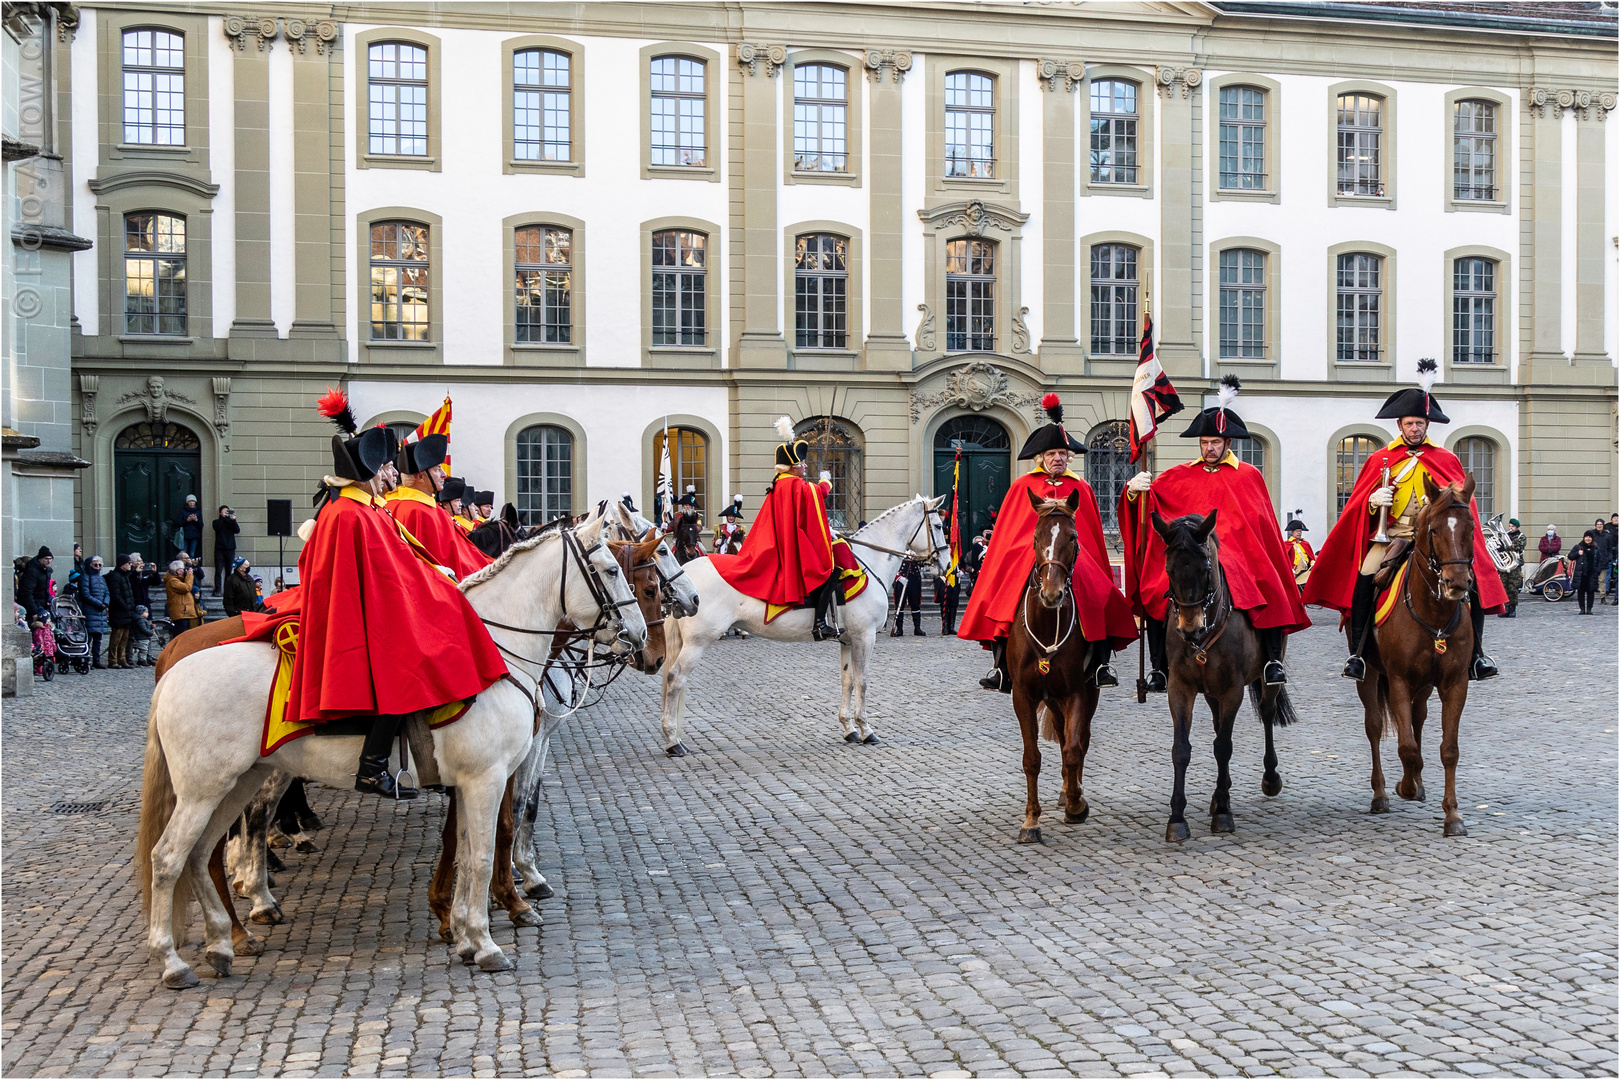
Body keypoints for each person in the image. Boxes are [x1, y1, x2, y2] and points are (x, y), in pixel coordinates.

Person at [299, 388, 507, 799]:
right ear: (366, 473)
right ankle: (372, 766)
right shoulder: (350, 513)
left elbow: (404, 561)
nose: (388, 476)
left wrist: (437, 576)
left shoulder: (368, 508)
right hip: (367, 613)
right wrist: (432, 588)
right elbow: (382, 574)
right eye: (381, 469)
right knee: (412, 661)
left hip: (385, 603)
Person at [1303, 358, 1506, 681]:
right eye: (1410, 423)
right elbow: (1357, 506)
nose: (1416, 429)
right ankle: (1357, 653)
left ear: (1428, 425)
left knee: (1474, 581)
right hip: (1392, 538)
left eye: (1421, 424)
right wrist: (1371, 502)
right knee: (1365, 574)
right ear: (1400, 425)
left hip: (1437, 540)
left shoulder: (1445, 459)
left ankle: (1477, 655)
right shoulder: (1380, 459)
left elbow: (1461, 503)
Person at [1122, 377, 1310, 689]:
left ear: (1228, 443)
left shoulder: (1248, 475)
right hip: (1194, 551)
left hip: (1239, 552)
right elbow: (1153, 506)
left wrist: (1238, 549)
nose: (1209, 448)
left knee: (1269, 581)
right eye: (1205, 443)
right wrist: (1133, 492)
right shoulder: (1178, 475)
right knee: (1154, 588)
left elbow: (1260, 525)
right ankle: (1158, 666)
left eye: (1215, 443)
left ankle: (1273, 660)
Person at [957, 394, 1137, 691]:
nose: (1058, 458)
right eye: (1052, 453)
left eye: (1063, 453)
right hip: (1029, 554)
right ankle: (1001, 667)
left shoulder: (1082, 488)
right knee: (1008, 592)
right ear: (1041, 457)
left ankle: (1103, 662)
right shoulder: (1022, 486)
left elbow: (1089, 533)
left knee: (1100, 589)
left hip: (1073, 556)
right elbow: (1010, 533)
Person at [711, 417, 843, 641]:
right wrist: (826, 482)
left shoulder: (781, 483)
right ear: (792, 466)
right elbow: (815, 496)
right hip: (789, 542)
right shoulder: (793, 484)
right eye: (801, 463)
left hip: (782, 538)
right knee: (827, 569)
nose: (804, 466)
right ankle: (819, 623)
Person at [383, 438, 492, 580]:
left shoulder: (394, 504)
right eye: (437, 469)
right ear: (420, 476)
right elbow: (449, 562)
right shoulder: (420, 512)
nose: (444, 475)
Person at [77, 555, 111, 668]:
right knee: (89, 638)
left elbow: (107, 592)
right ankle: (85, 660)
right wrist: (98, 604)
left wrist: (105, 603)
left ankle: (96, 660)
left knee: (98, 638)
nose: (98, 567)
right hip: (91, 610)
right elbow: (85, 594)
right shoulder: (85, 577)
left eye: (99, 565)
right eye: (95, 565)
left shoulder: (101, 579)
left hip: (100, 612)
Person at [107, 554, 136, 668]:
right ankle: (113, 660)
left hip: (127, 611)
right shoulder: (115, 576)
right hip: (119, 611)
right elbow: (116, 595)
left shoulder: (125, 576)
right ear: (123, 564)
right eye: (129, 563)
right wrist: (125, 606)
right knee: (116, 637)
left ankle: (122, 659)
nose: (131, 565)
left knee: (124, 638)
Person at [1497, 519, 1526, 618]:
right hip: (1505, 564)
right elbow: (1500, 547)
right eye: (1509, 526)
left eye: (1512, 526)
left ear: (1517, 527)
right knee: (1504, 587)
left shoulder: (1521, 536)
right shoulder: (1506, 536)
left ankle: (1513, 609)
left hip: (1515, 565)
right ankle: (1506, 608)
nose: (1510, 528)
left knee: (1513, 588)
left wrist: (1505, 548)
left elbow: (1519, 546)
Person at [1570, 530, 1602, 615]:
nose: (1588, 539)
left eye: (1589, 537)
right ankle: (1582, 608)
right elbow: (1570, 556)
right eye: (1586, 537)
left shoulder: (1596, 548)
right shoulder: (1578, 547)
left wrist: (1598, 570)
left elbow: (1599, 560)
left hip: (1591, 573)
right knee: (1581, 592)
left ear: (1592, 538)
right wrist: (1577, 553)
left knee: (1590, 592)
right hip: (1581, 573)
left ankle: (1589, 608)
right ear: (1584, 538)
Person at [17, 546, 53, 622]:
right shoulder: (32, 571)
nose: (49, 561)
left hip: (42, 606)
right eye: (46, 559)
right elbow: (27, 593)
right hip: (33, 607)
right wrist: (34, 612)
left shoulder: (46, 570)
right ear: (40, 559)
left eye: (50, 559)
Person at [891, 557, 924, 637]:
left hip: (914, 578)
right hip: (901, 579)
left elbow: (923, 563)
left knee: (915, 604)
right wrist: (898, 577)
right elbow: (892, 564)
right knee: (899, 604)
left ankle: (917, 628)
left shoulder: (916, 551)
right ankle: (899, 629)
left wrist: (918, 557)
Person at [165, 559, 201, 634]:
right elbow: (186, 588)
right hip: (181, 614)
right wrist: (190, 575)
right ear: (178, 571)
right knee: (181, 635)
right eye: (183, 569)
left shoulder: (180, 580)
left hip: (185, 613)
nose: (185, 571)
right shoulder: (172, 581)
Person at [212, 506, 240, 597]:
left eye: (227, 511)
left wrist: (233, 520)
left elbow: (237, 530)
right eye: (224, 511)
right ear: (220, 512)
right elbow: (218, 528)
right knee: (218, 571)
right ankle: (218, 589)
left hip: (230, 549)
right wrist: (223, 518)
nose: (226, 512)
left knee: (229, 571)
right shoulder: (216, 522)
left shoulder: (230, 522)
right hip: (219, 549)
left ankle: (227, 590)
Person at [1283, 520, 1315, 591]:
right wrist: (1289, 569)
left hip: (1305, 570)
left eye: (1300, 531)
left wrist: (1312, 562)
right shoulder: (1286, 544)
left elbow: (1310, 556)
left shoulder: (1305, 544)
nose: (1299, 533)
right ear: (1292, 532)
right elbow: (1284, 559)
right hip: (1293, 572)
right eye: (1297, 531)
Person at [173, 495, 204, 565]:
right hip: (184, 536)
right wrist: (187, 520)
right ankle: (181, 568)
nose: (192, 503)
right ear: (187, 502)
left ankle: (190, 570)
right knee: (183, 554)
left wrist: (196, 520)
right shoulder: (183, 511)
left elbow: (201, 525)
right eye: (190, 501)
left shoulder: (198, 512)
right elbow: (179, 523)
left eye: (193, 501)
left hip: (195, 536)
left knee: (192, 554)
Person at [936, 561, 960, 636]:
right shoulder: (943, 552)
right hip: (944, 580)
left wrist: (962, 571)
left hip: (955, 580)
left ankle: (951, 627)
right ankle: (945, 627)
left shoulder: (957, 553)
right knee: (944, 604)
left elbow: (962, 564)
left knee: (954, 604)